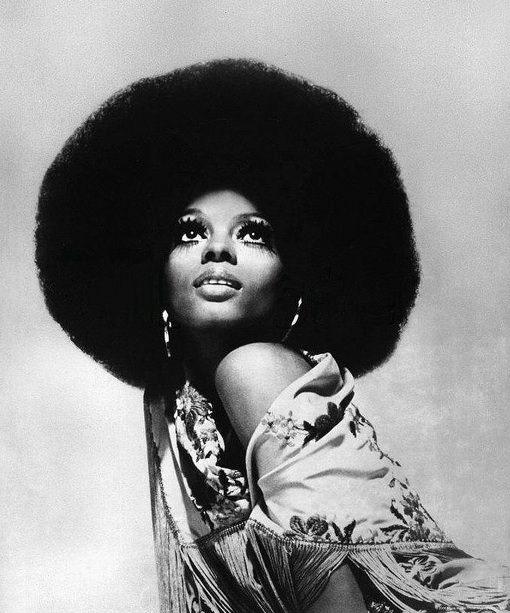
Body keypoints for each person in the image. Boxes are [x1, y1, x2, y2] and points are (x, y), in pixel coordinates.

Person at [35, 59, 509, 612]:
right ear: (152, 272)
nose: (217, 248)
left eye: (254, 235)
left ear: (294, 283)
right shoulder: (167, 406)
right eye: (189, 232)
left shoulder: (256, 369)